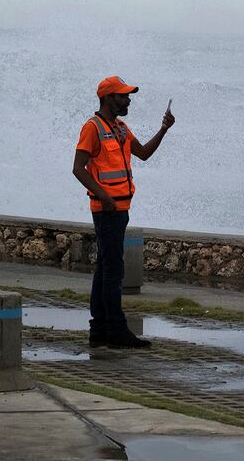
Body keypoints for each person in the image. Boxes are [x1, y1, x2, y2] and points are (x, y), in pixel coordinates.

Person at [72, 76, 174, 348]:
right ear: (107, 98)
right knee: (113, 269)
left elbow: (143, 153)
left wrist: (163, 129)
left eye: (128, 95)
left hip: (120, 207)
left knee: (105, 267)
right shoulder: (92, 128)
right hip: (106, 209)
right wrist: (103, 195)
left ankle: (100, 331)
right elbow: (78, 168)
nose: (128, 100)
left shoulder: (119, 128)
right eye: (123, 96)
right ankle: (116, 330)